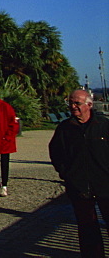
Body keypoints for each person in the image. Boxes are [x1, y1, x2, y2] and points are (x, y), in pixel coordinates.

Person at [49, 88, 109, 257]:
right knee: (87, 228)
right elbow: (56, 153)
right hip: (79, 186)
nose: (73, 106)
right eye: (71, 103)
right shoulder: (65, 129)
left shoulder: (103, 125)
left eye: (77, 103)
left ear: (89, 105)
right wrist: (66, 174)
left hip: (105, 184)